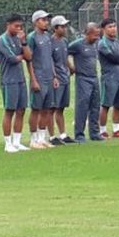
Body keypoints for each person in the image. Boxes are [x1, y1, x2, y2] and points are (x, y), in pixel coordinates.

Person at [0, 13, 32, 153]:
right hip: (8, 79)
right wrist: (22, 56)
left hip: (20, 79)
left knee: (21, 110)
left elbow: (28, 57)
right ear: (8, 25)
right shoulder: (2, 40)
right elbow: (12, 59)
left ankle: (17, 142)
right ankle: (7, 142)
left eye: (20, 26)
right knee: (9, 110)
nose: (19, 29)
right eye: (16, 26)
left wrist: (23, 43)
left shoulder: (19, 39)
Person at [68, 23, 103, 142]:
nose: (97, 37)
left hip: (94, 77)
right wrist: (71, 66)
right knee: (82, 106)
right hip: (83, 78)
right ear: (87, 33)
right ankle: (79, 134)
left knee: (95, 106)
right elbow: (65, 52)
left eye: (98, 35)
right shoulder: (78, 45)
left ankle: (94, 133)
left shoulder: (95, 45)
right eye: (95, 35)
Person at [26, 10, 56, 149]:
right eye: (44, 20)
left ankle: (42, 138)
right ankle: (33, 139)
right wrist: (33, 79)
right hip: (38, 77)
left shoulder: (48, 37)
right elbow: (29, 59)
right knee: (36, 109)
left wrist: (54, 76)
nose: (47, 22)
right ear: (37, 21)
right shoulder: (32, 37)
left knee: (46, 109)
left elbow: (50, 57)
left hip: (49, 77)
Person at [98, 18, 119, 138]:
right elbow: (113, 58)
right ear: (104, 29)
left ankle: (117, 130)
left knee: (118, 104)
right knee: (106, 104)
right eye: (110, 27)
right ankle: (102, 130)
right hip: (109, 77)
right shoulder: (103, 43)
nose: (113, 29)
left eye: (114, 26)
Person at [49, 15, 75, 145]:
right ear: (55, 28)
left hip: (65, 77)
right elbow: (50, 61)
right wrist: (54, 76)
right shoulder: (50, 42)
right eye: (62, 26)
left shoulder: (64, 41)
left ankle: (63, 134)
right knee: (52, 107)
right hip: (57, 79)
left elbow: (65, 58)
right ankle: (52, 136)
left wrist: (71, 68)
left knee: (61, 108)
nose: (65, 28)